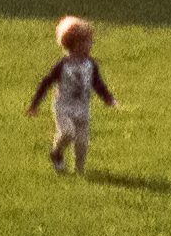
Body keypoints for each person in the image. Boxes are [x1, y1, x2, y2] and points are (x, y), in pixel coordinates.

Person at [26, 15, 118, 175]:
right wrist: (35, 104)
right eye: (87, 41)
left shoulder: (91, 64)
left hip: (82, 108)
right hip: (64, 107)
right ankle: (56, 153)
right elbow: (46, 83)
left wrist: (108, 99)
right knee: (68, 132)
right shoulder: (63, 65)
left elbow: (97, 83)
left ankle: (79, 173)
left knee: (82, 143)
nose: (91, 44)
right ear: (74, 44)